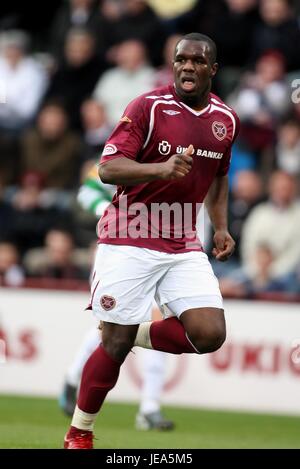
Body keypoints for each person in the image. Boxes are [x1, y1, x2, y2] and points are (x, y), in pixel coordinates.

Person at [64, 32, 239, 449]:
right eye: (181, 60)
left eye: (198, 61)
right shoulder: (148, 106)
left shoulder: (225, 120)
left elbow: (219, 176)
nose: (187, 67)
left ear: (212, 70)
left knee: (210, 333)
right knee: (114, 345)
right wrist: (159, 170)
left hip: (181, 240)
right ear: (173, 64)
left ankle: (127, 332)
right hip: (130, 234)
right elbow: (107, 169)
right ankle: (79, 433)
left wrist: (220, 226)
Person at [60, 163, 174, 430]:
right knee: (111, 326)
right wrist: (109, 213)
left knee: (154, 322)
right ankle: (74, 376)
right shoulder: (123, 154)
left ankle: (149, 407)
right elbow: (87, 192)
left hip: (165, 252)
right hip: (120, 252)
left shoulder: (178, 157)